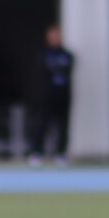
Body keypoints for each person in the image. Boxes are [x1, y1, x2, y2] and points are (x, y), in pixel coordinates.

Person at [30, 25, 75, 166]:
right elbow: (42, 71)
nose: (55, 38)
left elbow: (67, 69)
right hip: (47, 95)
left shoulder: (67, 55)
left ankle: (61, 153)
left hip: (63, 95)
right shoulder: (43, 54)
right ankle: (37, 152)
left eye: (57, 36)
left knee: (63, 124)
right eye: (53, 36)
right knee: (42, 122)